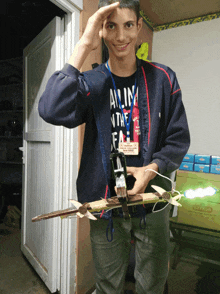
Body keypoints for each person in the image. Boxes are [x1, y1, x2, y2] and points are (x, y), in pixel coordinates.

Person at [38, 0, 190, 293]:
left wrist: (152, 168)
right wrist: (84, 43)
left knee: (153, 282)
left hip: (152, 200)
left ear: (139, 26)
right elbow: (50, 109)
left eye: (128, 25)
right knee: (108, 284)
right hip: (103, 201)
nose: (121, 37)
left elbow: (177, 138)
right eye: (111, 26)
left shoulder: (162, 78)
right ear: (102, 31)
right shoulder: (91, 82)